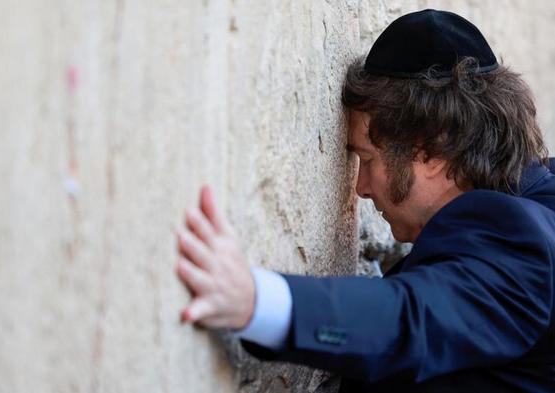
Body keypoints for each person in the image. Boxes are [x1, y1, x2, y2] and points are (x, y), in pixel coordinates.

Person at [175, 9, 555, 392]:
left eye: (367, 159)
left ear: (432, 151)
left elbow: (409, 318)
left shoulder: (521, 243)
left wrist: (257, 300)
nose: (360, 187)